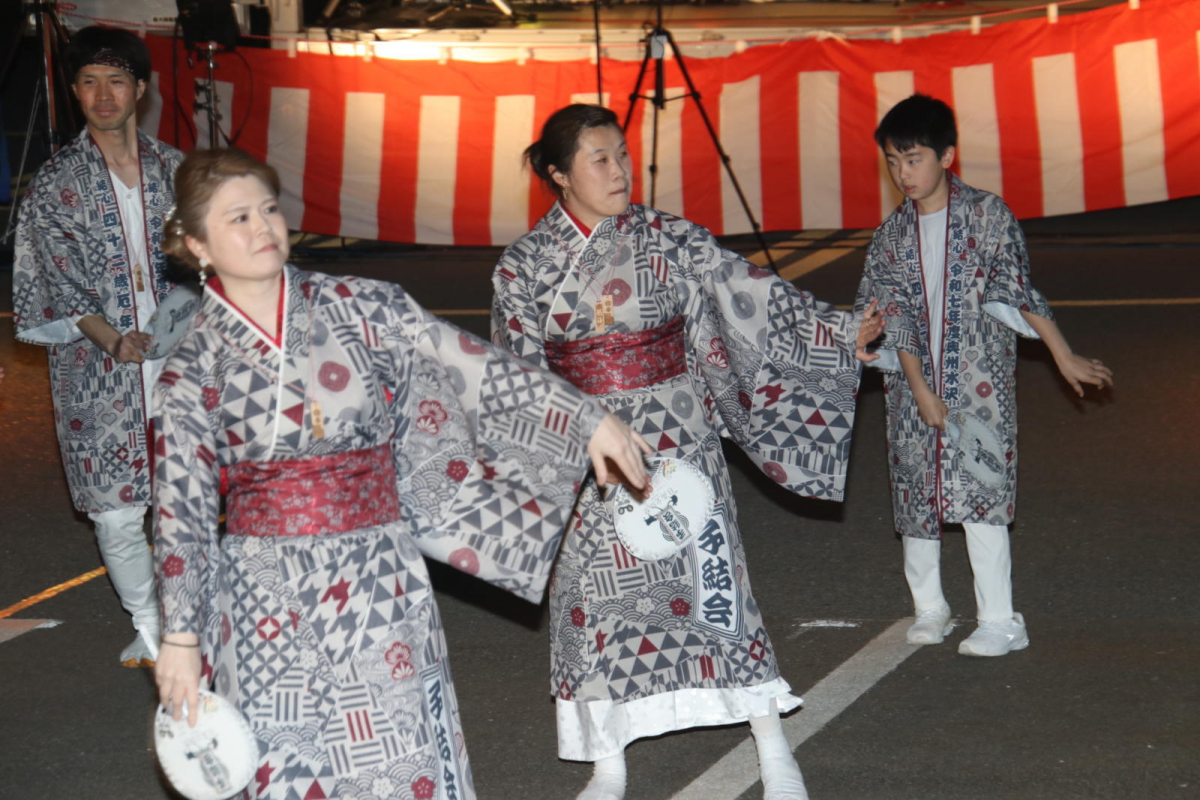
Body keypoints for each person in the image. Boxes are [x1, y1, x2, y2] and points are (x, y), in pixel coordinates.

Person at [150, 147, 650, 800]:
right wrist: (181, 639)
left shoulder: (364, 307)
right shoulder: (191, 366)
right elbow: (179, 513)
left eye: (268, 209)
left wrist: (584, 418)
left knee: (398, 756)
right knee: (288, 768)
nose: (262, 227)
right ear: (197, 245)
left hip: (375, 575)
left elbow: (470, 362)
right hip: (265, 595)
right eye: (237, 218)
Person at [491, 104, 884, 800]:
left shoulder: (670, 238)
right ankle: (608, 758)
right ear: (558, 174)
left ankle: (771, 743)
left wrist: (835, 334)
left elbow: (752, 297)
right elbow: (518, 376)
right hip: (589, 450)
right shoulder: (524, 266)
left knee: (715, 588)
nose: (620, 171)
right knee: (596, 603)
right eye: (599, 159)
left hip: (678, 435)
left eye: (622, 154)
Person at [855, 94, 1113, 657]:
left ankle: (1000, 619)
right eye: (893, 161)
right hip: (909, 387)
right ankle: (931, 608)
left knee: (981, 487)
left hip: (979, 385)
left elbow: (1017, 292)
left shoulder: (988, 215)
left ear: (947, 156)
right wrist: (917, 387)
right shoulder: (890, 237)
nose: (904, 173)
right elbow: (890, 317)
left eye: (914, 158)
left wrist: (1063, 353)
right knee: (916, 496)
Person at [11, 26, 184, 668]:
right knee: (115, 513)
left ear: (141, 88)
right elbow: (56, 282)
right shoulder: (56, 184)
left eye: (117, 80)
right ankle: (149, 625)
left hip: (181, 361)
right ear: (75, 92)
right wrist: (115, 341)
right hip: (97, 367)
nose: (103, 95)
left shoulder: (177, 170)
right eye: (89, 81)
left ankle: (191, 617)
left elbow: (216, 258)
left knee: (185, 500)